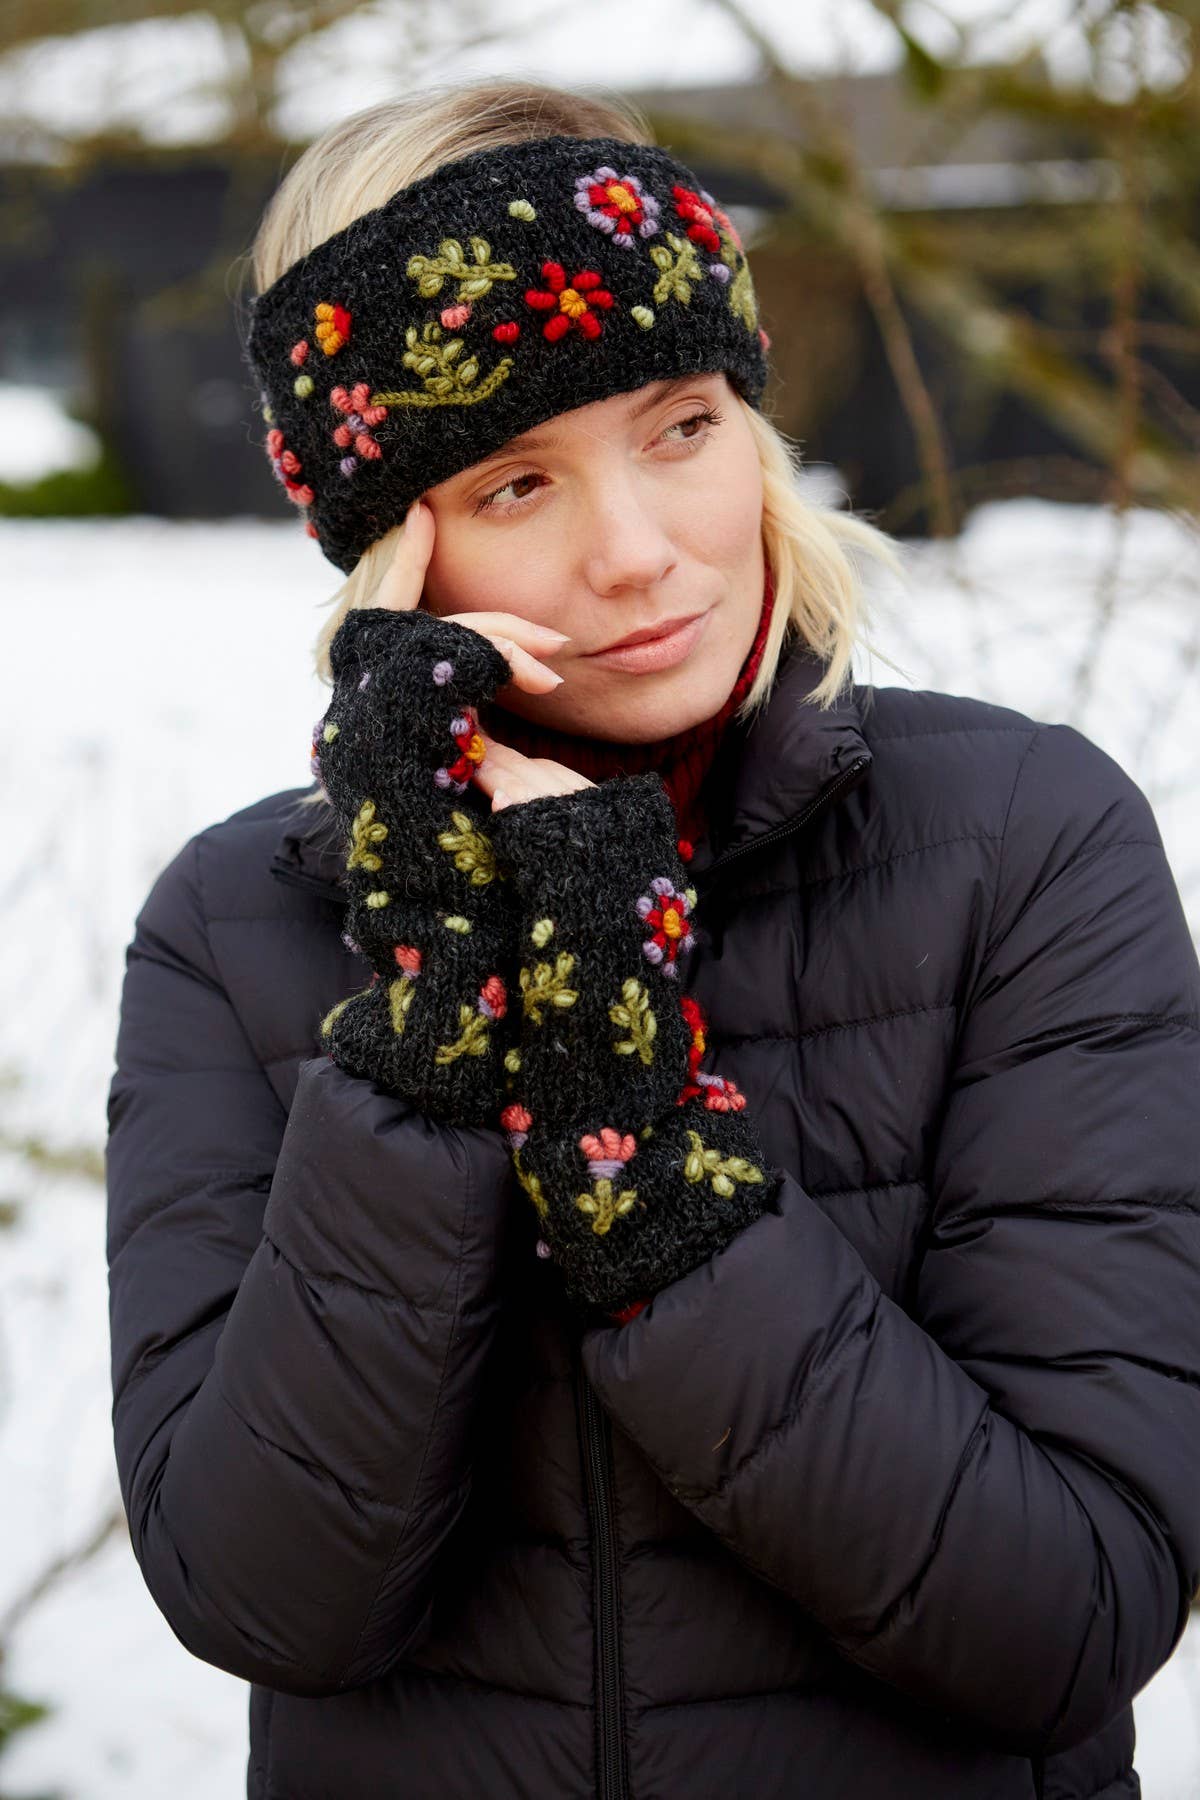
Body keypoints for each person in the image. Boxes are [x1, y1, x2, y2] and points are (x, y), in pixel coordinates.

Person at [104, 76, 1200, 1800]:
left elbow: (1061, 1615)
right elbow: (271, 1598)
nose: (638, 554)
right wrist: (432, 1004)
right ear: (396, 549)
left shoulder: (1024, 844)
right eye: (519, 478)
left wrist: (638, 1137)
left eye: (680, 425)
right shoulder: (237, 930)